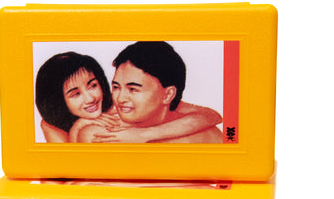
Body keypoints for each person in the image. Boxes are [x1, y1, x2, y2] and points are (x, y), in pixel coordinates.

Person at [74, 41, 223, 143]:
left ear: (168, 95)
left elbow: (212, 116)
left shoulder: (207, 135)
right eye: (116, 87)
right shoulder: (101, 131)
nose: (120, 98)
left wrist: (145, 135)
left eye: (133, 89)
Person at [35, 52, 118, 142]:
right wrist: (77, 127)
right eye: (76, 94)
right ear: (58, 102)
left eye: (93, 86)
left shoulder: (118, 103)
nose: (90, 99)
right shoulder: (51, 127)